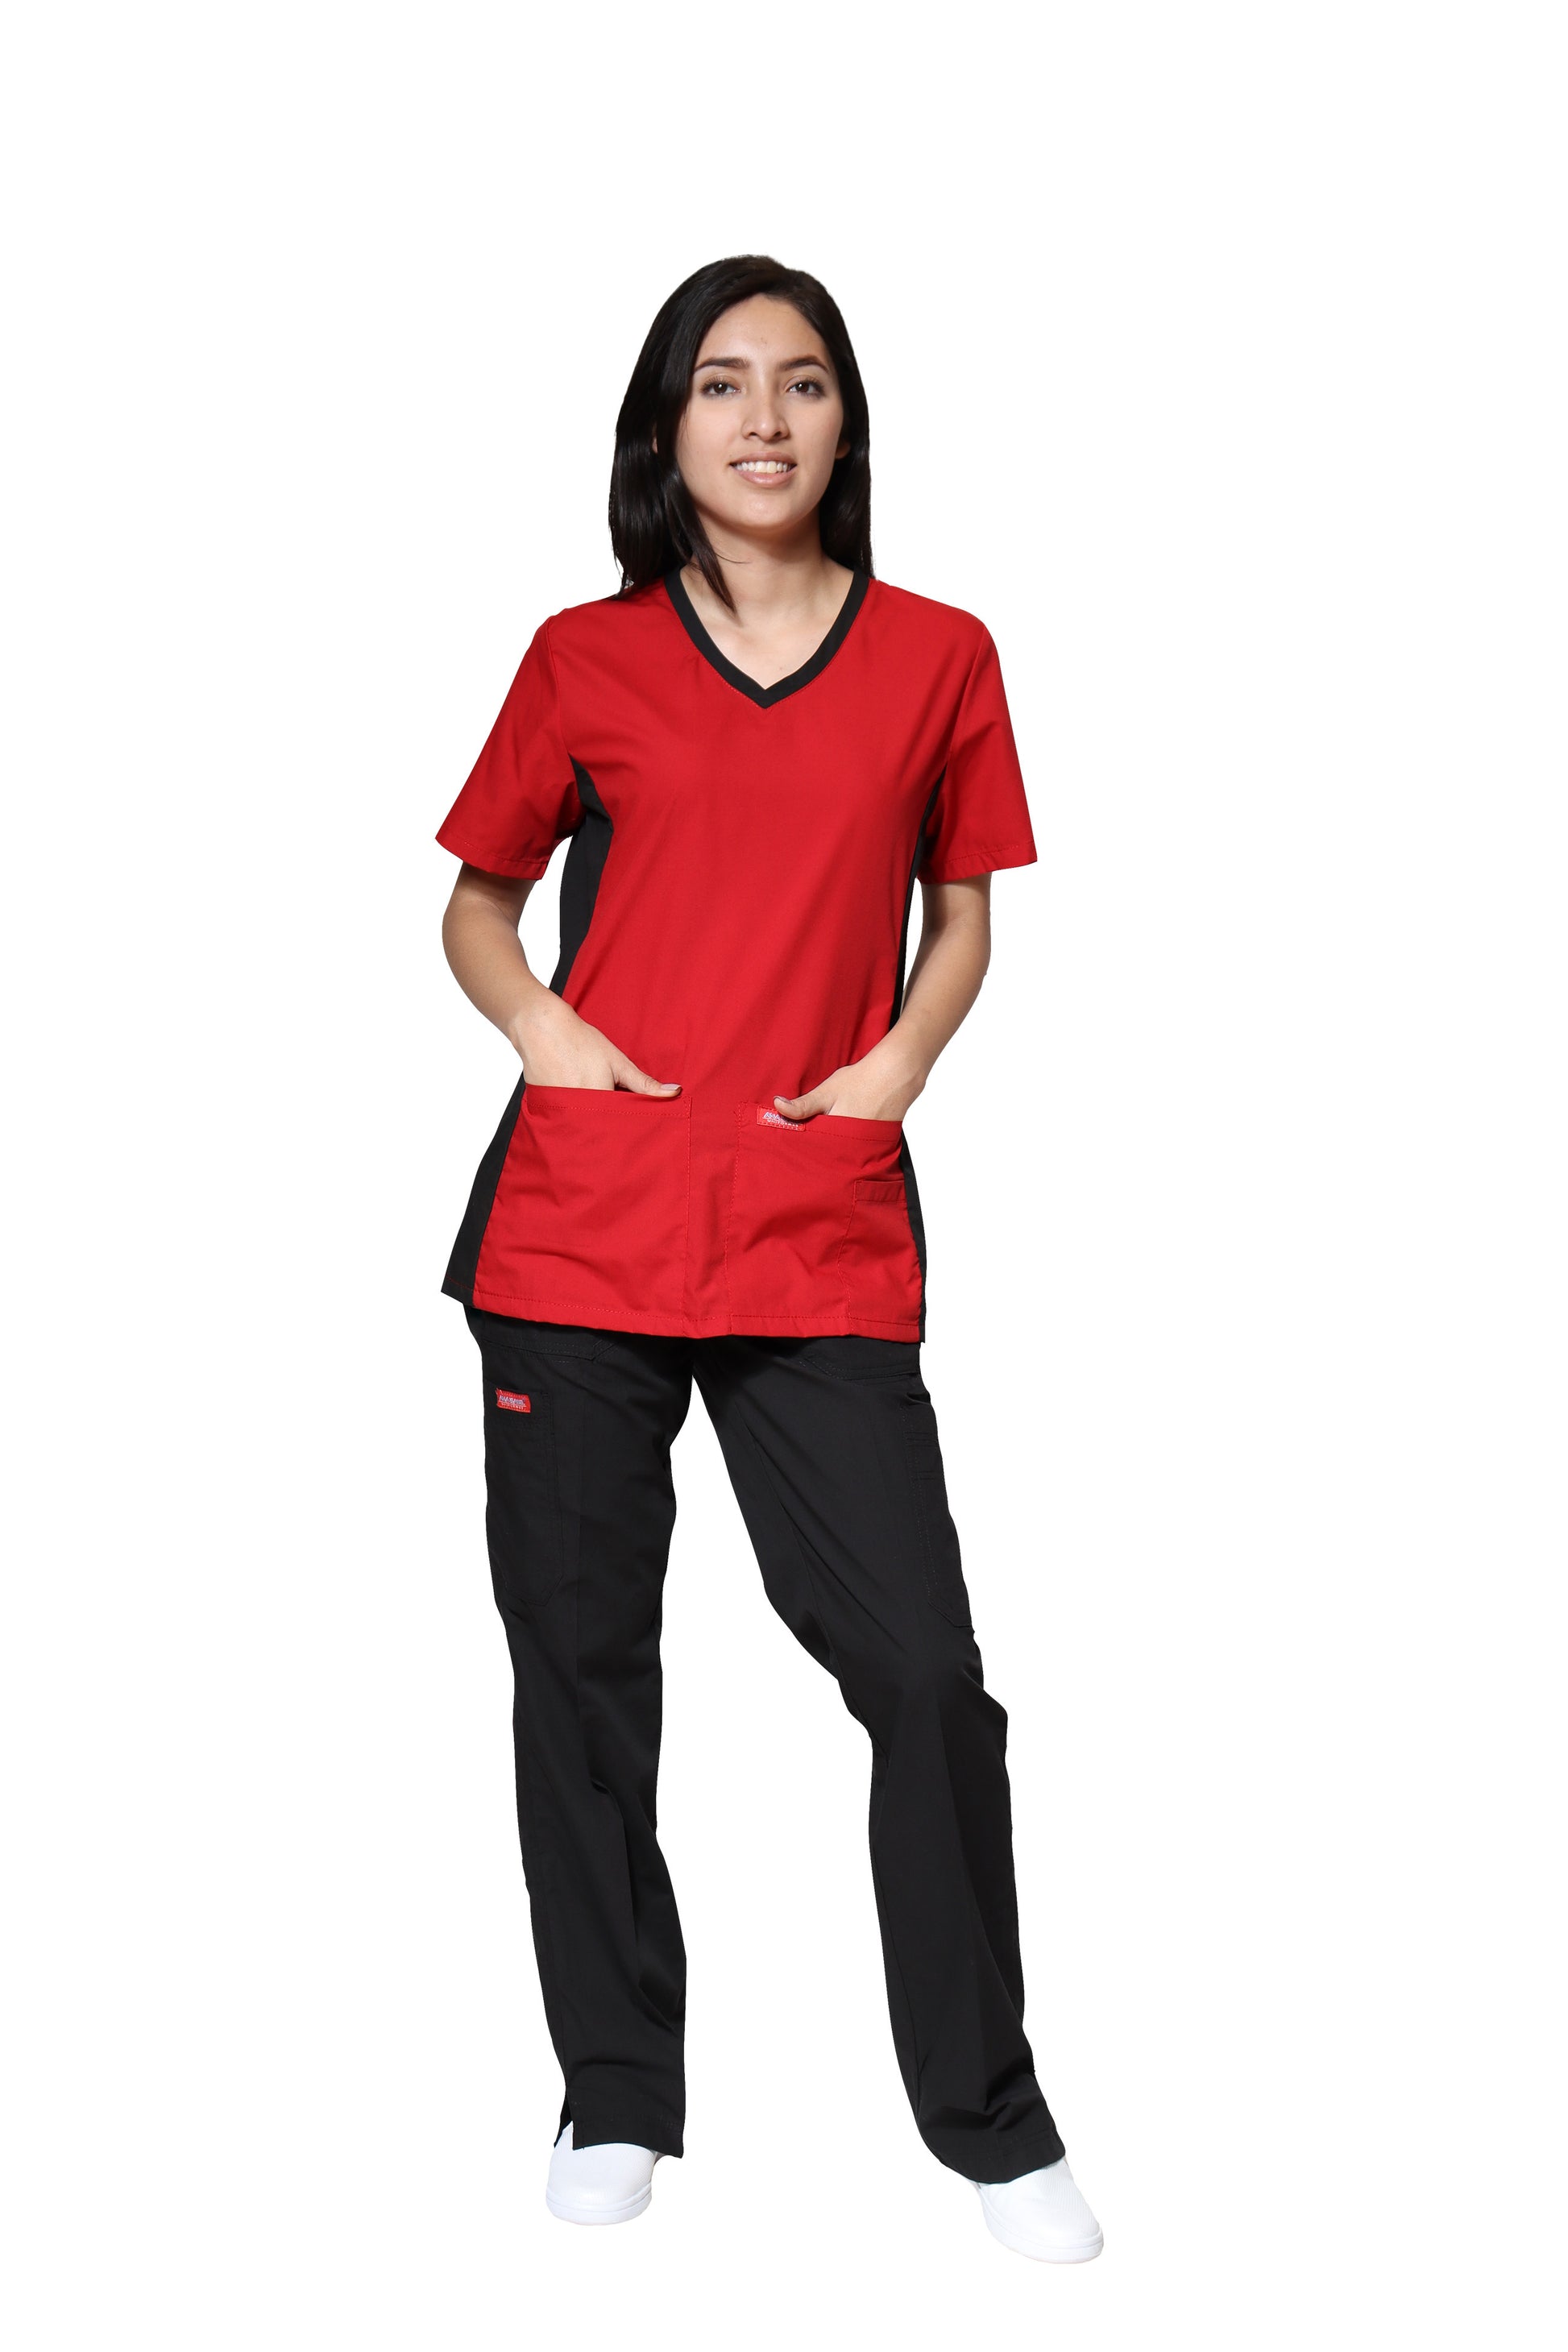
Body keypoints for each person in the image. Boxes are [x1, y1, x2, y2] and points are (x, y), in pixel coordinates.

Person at [435, 254, 1102, 2264]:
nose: (762, 417)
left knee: (923, 1673)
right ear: (667, 427)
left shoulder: (939, 656)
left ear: (844, 421)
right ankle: (615, 2085)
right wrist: (541, 1027)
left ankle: (990, 2114)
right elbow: (477, 901)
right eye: (720, 383)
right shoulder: (583, 656)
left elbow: (961, 912)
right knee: (583, 1674)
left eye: (801, 383)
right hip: (584, 1230)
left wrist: (901, 1062)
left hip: (816, 1228)